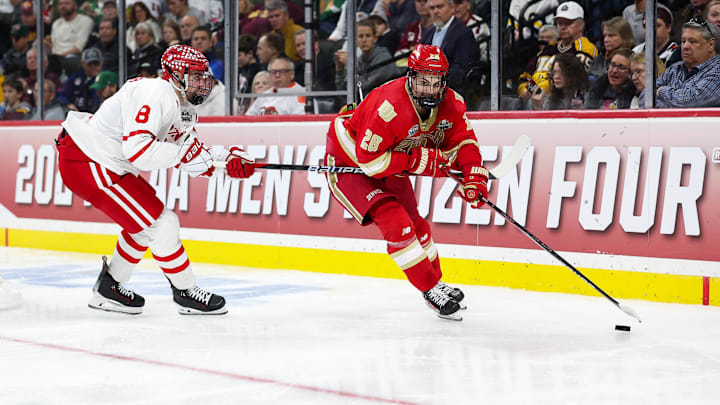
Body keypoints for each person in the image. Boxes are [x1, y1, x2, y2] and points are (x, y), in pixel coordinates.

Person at [56, 44, 255, 315]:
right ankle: (185, 291)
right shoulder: (156, 92)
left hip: (104, 162)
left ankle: (109, 288)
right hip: (88, 160)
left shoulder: (182, 106)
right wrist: (186, 156)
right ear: (174, 74)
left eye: (202, 75)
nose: (202, 82)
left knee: (143, 227)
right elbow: (138, 150)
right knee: (162, 224)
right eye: (194, 76)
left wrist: (227, 161)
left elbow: (192, 152)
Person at [324, 44, 486, 321]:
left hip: (391, 159)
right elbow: (370, 162)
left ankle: (435, 281)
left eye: (436, 82)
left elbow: (464, 142)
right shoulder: (389, 106)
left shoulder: (453, 103)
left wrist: (473, 176)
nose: (430, 88)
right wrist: (419, 161)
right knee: (396, 222)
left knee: (417, 223)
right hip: (351, 163)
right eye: (423, 80)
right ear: (411, 77)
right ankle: (430, 289)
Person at [643, 17, 720, 108]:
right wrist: (672, 104)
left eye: (692, 41)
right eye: (683, 41)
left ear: (710, 44)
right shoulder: (675, 68)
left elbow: (690, 101)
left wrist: (660, 91)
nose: (685, 46)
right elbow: (644, 97)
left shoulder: (717, 71)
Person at [420, 0, 479, 94]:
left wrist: (434, 81)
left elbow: (461, 70)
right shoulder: (428, 33)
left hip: (451, 92)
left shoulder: (463, 33)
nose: (435, 11)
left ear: (452, 8)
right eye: (432, 8)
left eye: (440, 7)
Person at [51, 0, 95, 76]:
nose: (63, 6)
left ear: (75, 6)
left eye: (67, 3)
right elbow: (53, 45)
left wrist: (59, 56)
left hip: (73, 57)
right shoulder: (56, 23)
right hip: (55, 59)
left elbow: (78, 48)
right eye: (61, 4)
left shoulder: (85, 21)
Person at [588, 17, 636, 81]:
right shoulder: (600, 57)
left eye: (611, 35)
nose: (606, 40)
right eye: (605, 36)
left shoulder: (633, 59)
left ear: (624, 37)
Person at [632, 3, 680, 67]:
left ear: (668, 27)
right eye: (645, 26)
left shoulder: (676, 53)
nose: (650, 30)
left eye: (656, 25)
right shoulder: (636, 51)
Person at [57, 47, 103, 113]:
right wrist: (69, 104)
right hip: (77, 115)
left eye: (96, 63)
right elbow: (62, 95)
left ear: (101, 62)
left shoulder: (105, 78)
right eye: (90, 64)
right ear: (83, 64)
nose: (93, 67)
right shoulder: (76, 78)